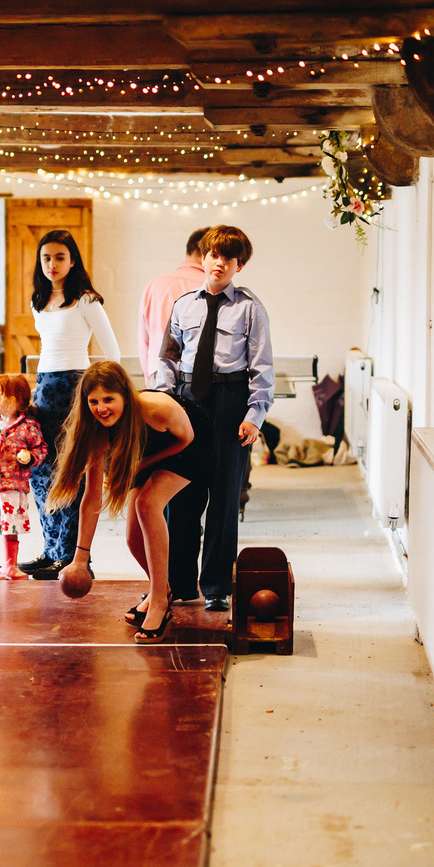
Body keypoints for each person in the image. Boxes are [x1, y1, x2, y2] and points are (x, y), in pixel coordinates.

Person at [155, 223, 274, 613]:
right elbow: (168, 358)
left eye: (228, 258)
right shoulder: (183, 305)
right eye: (214, 255)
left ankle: (217, 585)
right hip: (188, 404)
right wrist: (165, 402)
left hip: (230, 403)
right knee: (180, 499)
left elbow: (262, 367)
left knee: (224, 502)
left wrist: (254, 415)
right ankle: (178, 583)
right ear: (204, 258)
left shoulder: (249, 308)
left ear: (240, 265)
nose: (219, 263)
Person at [51, 360, 213, 641]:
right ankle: (162, 589)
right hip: (148, 448)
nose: (101, 408)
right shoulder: (96, 430)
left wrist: (142, 465)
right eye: (93, 401)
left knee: (147, 504)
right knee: (132, 537)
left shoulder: (155, 410)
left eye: (108, 399)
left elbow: (185, 439)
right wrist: (80, 558)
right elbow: (92, 498)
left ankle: (159, 602)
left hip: (190, 441)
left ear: (125, 397)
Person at [20, 230, 120, 581]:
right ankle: (51, 550)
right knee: (41, 472)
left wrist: (101, 395)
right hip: (44, 391)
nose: (52, 264)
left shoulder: (86, 300)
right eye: (46, 258)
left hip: (75, 389)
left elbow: (112, 352)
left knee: (71, 475)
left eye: (60, 257)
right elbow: (46, 348)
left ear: (73, 260)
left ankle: (71, 557)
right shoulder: (38, 301)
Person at [0, 373, 48, 579]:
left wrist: (29, 457)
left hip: (14, 486)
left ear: (12, 400)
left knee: (11, 526)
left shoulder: (28, 427)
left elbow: (41, 449)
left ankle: (9, 565)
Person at [137, 227, 207, 386]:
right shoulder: (212, 287)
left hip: (158, 371)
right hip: (199, 375)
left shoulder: (155, 284)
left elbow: (144, 339)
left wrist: (150, 377)